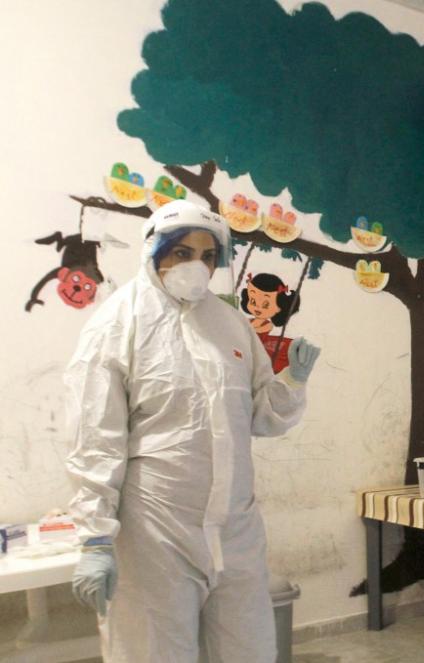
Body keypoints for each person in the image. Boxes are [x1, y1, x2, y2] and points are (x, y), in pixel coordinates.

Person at [65, 199, 321, 662]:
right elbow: (94, 437)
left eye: (207, 256)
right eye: (182, 253)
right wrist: (96, 536)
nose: (196, 266)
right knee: (156, 653)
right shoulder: (116, 324)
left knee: (249, 650)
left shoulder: (229, 324)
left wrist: (291, 383)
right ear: (154, 252)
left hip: (235, 530)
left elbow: (261, 417)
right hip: (155, 532)